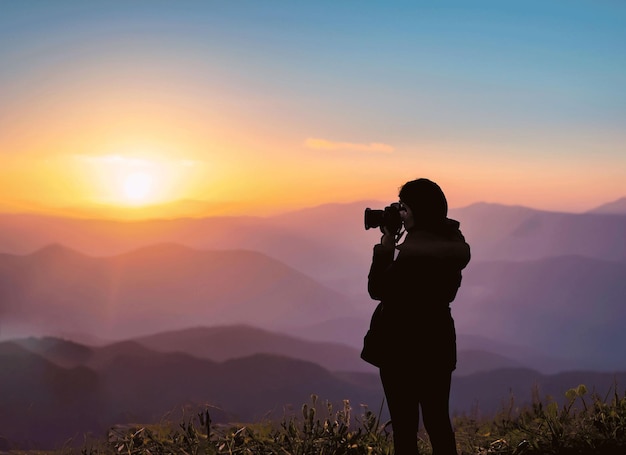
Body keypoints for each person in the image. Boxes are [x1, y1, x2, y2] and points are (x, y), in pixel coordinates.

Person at [366, 178, 471, 455]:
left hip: (401, 346)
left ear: (417, 211)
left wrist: (387, 242)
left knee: (404, 428)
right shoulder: (450, 243)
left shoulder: (414, 252)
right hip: (438, 341)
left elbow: (378, 289)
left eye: (404, 208)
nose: (400, 213)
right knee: (438, 422)